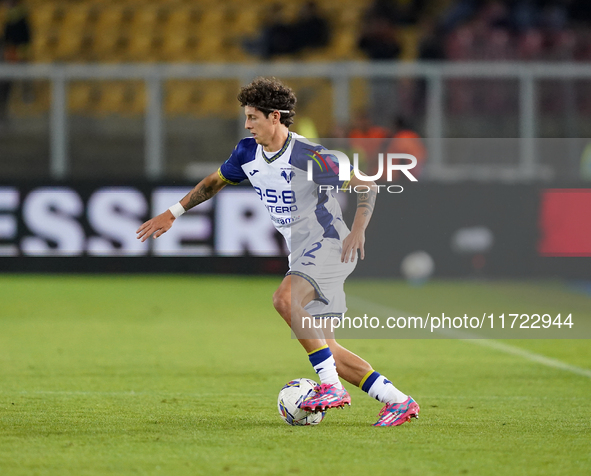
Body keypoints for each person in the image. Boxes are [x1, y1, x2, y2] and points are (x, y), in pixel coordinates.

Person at [136, 77, 419, 427]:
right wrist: (173, 213)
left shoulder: (310, 156)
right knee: (326, 347)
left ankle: (330, 387)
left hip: (328, 243)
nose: (246, 124)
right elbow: (214, 182)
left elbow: (368, 186)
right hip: (301, 250)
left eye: (253, 117)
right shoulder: (247, 152)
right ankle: (398, 401)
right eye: (246, 117)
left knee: (284, 300)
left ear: (275, 117)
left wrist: (358, 230)